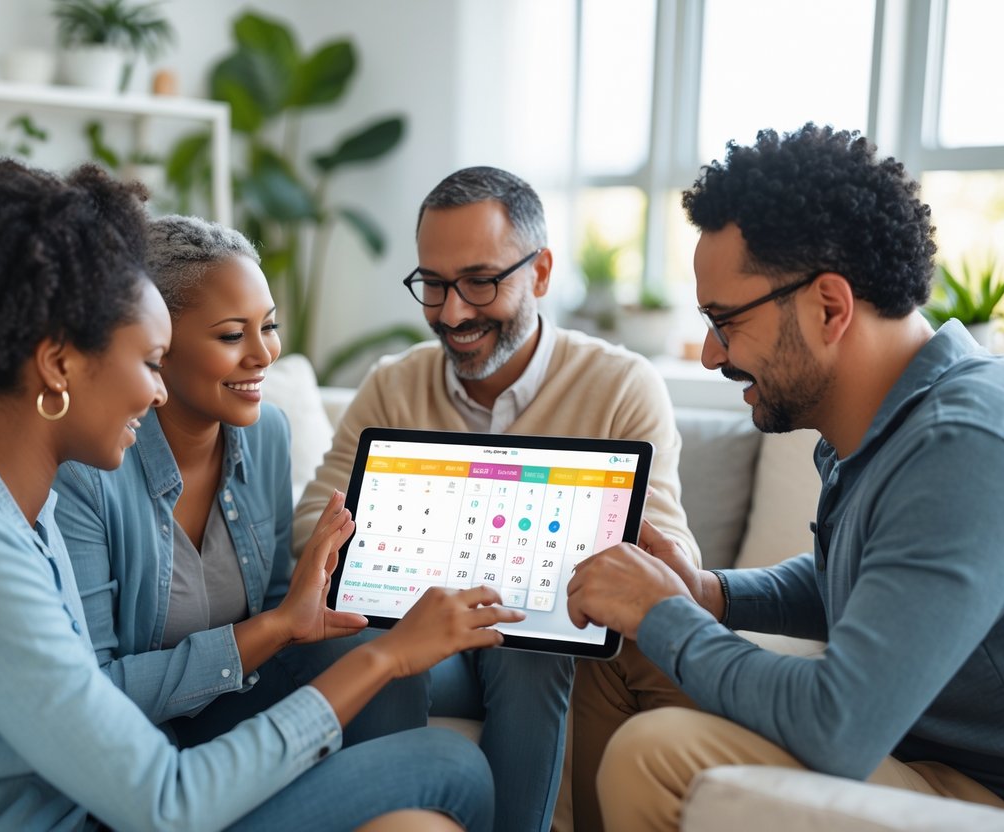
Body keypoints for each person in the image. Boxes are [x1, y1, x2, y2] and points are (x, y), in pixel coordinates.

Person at [0, 159, 525, 832]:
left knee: (420, 789)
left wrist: (307, 627)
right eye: (146, 362)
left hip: (105, 792)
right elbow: (166, 802)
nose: (159, 391)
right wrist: (387, 655)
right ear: (57, 364)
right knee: (448, 767)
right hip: (111, 809)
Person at [566, 123, 1004, 831]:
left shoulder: (966, 452)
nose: (707, 354)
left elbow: (838, 723)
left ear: (829, 306)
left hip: (998, 798)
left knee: (656, 753)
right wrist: (708, 596)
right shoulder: (888, 424)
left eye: (723, 320)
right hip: (913, 749)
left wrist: (664, 614)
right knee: (611, 645)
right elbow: (865, 586)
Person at [293, 165, 700, 832]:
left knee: (530, 650)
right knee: (387, 642)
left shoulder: (622, 385)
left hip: (541, 648)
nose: (452, 312)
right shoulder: (392, 384)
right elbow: (312, 521)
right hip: (433, 644)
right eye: (432, 284)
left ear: (539, 274)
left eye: (479, 282)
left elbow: (668, 553)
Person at [54, 214, 422, 749]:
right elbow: (97, 689)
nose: (264, 354)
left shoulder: (268, 432)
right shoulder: (87, 472)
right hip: (139, 744)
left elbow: (277, 602)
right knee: (449, 762)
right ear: (156, 345)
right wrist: (276, 628)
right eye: (232, 334)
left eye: (268, 326)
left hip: (237, 701)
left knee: (379, 661)